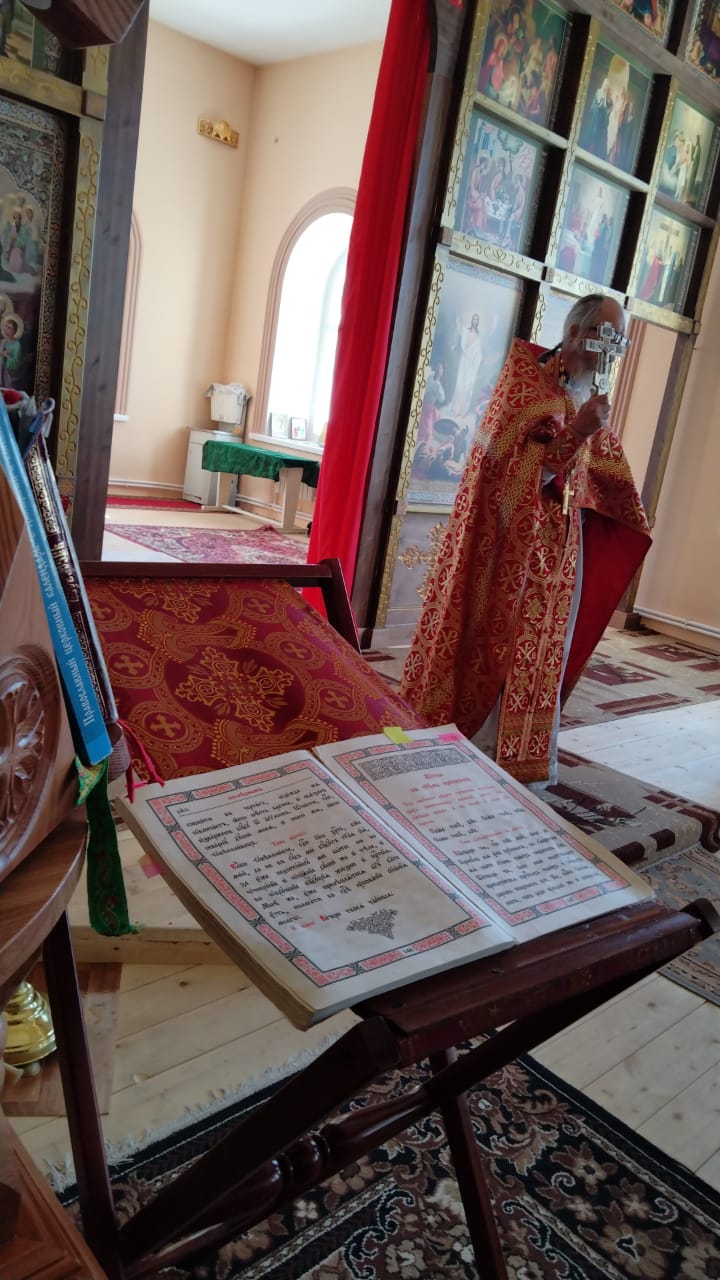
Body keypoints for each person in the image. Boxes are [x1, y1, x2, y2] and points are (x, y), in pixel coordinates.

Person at [399, 294, 651, 787]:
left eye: (619, 341)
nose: (611, 350)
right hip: (506, 554)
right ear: (574, 333)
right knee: (500, 646)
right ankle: (474, 749)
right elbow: (510, 485)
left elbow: (595, 474)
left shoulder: (581, 395)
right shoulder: (524, 385)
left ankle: (523, 758)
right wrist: (578, 432)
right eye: (606, 337)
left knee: (544, 652)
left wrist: (618, 495)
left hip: (561, 554)